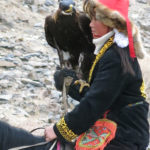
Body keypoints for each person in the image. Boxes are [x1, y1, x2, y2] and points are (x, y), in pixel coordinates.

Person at [44, 0, 149, 149]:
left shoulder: (116, 56)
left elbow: (95, 103)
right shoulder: (111, 48)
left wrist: (59, 130)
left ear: (111, 22)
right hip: (115, 124)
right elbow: (100, 94)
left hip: (125, 135)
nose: (90, 24)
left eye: (95, 19)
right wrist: (71, 83)